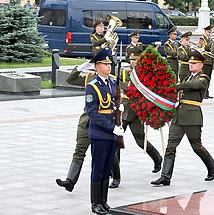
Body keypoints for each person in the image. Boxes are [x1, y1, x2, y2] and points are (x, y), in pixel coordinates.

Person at [151, 49, 214, 186]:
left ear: (201, 65)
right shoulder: (187, 77)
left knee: (196, 146)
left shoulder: (203, 77)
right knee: (171, 145)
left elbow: (196, 85)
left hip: (192, 116)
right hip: (179, 115)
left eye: (194, 63)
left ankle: (212, 167)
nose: (190, 65)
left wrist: (178, 85)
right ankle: (165, 176)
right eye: (190, 63)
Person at [109, 52, 163, 189]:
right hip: (123, 109)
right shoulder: (129, 72)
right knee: (116, 140)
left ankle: (157, 159)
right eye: (131, 59)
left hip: (135, 110)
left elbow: (136, 89)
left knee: (140, 140)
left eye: (135, 59)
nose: (133, 62)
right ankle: (115, 173)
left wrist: (120, 84)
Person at [85, 48, 123, 214]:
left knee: (107, 169)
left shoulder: (113, 82)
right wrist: (111, 126)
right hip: (100, 133)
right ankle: (95, 203)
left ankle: (104, 201)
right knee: (98, 168)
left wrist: (119, 110)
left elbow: (114, 105)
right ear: (96, 67)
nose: (109, 66)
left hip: (112, 133)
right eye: (105, 64)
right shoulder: (92, 86)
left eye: (109, 64)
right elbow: (92, 112)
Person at [56, 60, 96, 192]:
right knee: (79, 151)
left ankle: (116, 176)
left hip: (102, 124)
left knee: (109, 154)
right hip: (86, 122)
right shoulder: (89, 78)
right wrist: (82, 67)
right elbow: (70, 79)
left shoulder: (113, 80)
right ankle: (70, 181)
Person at [198, 25, 214, 99]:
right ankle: (203, 93)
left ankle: (206, 92)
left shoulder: (210, 39)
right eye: (208, 32)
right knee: (204, 77)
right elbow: (204, 47)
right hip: (205, 60)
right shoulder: (202, 39)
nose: (209, 33)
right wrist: (211, 44)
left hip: (210, 61)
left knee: (208, 77)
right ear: (205, 31)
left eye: (210, 32)